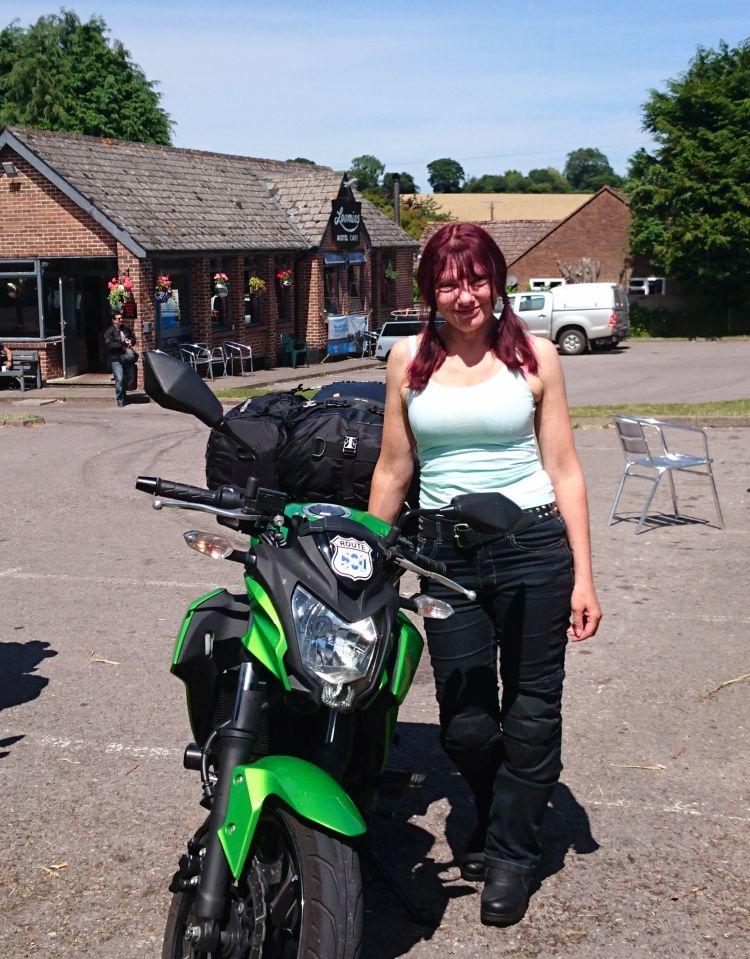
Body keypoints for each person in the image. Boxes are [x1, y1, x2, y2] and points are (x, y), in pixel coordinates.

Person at [368, 223, 602, 927]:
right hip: (446, 554)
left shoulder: (534, 358)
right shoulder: (407, 360)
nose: (465, 295)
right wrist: (365, 559)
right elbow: (392, 468)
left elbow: (564, 469)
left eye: (477, 279)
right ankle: (497, 802)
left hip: (534, 545)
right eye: (449, 281)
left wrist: (586, 576)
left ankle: (510, 853)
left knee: (532, 711)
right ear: (429, 290)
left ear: (497, 281)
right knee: (466, 722)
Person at [103, 309, 137, 407]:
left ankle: (124, 392)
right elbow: (110, 345)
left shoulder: (125, 328)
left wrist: (131, 342)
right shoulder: (109, 332)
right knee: (119, 379)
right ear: (114, 320)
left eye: (121, 317)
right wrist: (123, 343)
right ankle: (120, 400)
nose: (121, 320)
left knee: (130, 377)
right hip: (116, 358)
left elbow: (133, 338)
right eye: (118, 318)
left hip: (127, 357)